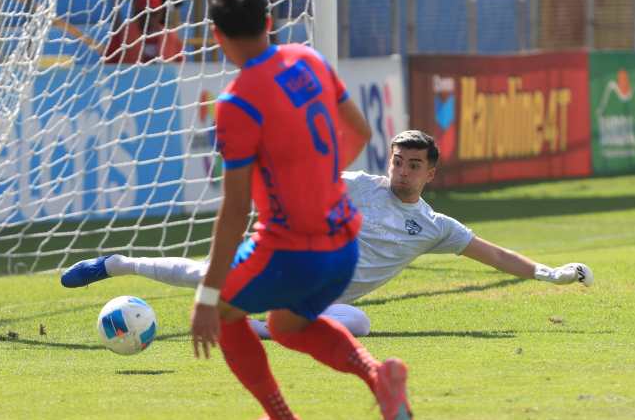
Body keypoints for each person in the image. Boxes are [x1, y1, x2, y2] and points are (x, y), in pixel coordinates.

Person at [148, 0, 412, 420]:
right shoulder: (309, 60)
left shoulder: (236, 103)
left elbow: (233, 212)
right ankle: (378, 376)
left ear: (216, 36)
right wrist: (320, 179)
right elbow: (360, 131)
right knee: (287, 326)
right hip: (344, 244)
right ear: (270, 23)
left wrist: (207, 298)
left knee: (229, 312)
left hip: (291, 249)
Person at [62, 130, 595, 338]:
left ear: (431, 174)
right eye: (398, 161)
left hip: (323, 299)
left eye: (414, 166)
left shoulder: (434, 227)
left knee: (356, 323)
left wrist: (549, 273)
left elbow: (493, 254)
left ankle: (245, 328)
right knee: (207, 275)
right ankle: (115, 264)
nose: (403, 171)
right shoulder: (360, 186)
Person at [103, 0, 185, 64]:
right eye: (143, 14)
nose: (148, 18)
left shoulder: (171, 37)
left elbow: (180, 66)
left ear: (161, 14)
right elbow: (108, 64)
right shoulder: (122, 36)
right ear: (136, 14)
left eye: (153, 14)